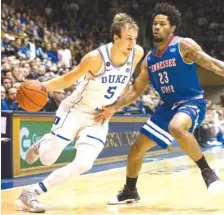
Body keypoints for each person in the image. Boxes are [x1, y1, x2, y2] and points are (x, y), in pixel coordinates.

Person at [96, 3, 224, 204]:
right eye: (155, 23)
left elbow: (212, 63)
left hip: (191, 102)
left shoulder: (184, 46)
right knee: (136, 150)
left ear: (171, 27)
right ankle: (130, 190)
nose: (156, 27)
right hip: (167, 107)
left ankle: (207, 172)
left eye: (162, 24)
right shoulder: (149, 60)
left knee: (176, 126)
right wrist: (114, 107)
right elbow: (135, 91)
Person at [15, 13, 144, 212]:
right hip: (76, 110)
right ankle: (43, 144)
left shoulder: (137, 53)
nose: (132, 43)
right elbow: (67, 80)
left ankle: (31, 192)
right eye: (128, 38)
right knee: (48, 158)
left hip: (99, 116)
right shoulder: (95, 58)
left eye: (135, 38)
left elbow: (127, 86)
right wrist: (41, 86)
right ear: (115, 38)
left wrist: (114, 107)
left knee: (84, 163)